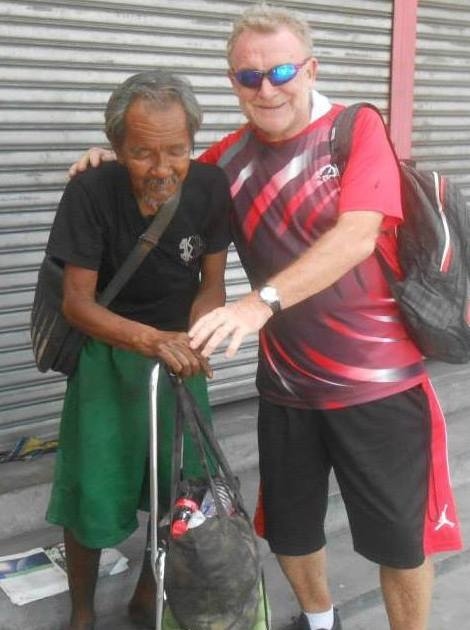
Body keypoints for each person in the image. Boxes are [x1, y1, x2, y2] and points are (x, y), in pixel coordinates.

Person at [68, 5, 463, 630]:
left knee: (400, 543)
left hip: (380, 387)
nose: (266, 88)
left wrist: (258, 303)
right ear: (233, 83)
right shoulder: (226, 159)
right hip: (286, 389)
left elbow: (358, 234)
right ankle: (320, 620)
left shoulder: (356, 129)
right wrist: (110, 160)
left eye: (280, 70)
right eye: (247, 77)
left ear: (310, 68)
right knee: (290, 529)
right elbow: (165, 170)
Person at [45, 69, 232, 630]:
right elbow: (77, 305)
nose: (163, 167)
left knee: (180, 490)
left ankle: (147, 595)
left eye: (177, 150)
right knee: (92, 492)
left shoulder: (210, 186)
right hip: (108, 355)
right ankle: (81, 612)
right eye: (143, 152)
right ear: (117, 147)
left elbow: (213, 283)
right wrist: (153, 340)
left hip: (181, 354)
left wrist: (198, 336)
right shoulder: (91, 189)